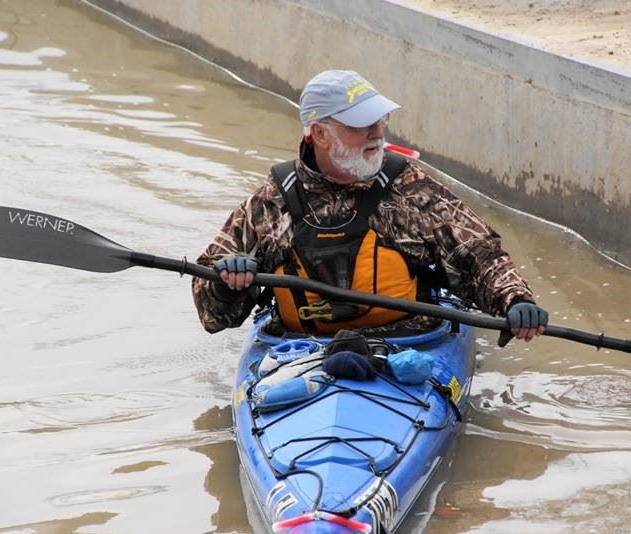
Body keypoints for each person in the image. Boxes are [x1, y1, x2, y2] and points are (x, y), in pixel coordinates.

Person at [191, 69, 547, 344]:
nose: (378, 133)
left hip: (408, 344)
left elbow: (480, 257)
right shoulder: (268, 205)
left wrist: (515, 301)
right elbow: (212, 316)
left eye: (381, 120)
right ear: (319, 134)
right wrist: (225, 283)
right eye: (362, 125)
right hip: (299, 351)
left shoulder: (413, 189)